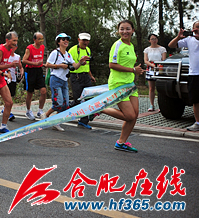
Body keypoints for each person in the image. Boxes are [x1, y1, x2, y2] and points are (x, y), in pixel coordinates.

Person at [101, 20, 144, 152]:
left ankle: (121, 142)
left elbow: (130, 65)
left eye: (128, 29)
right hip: (118, 84)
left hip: (130, 84)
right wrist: (133, 70)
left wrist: (137, 70)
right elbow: (112, 65)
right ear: (118, 31)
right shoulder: (117, 45)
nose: (125, 31)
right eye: (122, 29)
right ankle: (99, 109)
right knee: (129, 115)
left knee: (135, 115)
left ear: (133, 31)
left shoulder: (130, 46)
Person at [44, 33, 89, 131]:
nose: (66, 41)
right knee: (58, 102)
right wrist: (60, 66)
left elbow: (75, 67)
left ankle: (56, 122)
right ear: (59, 42)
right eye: (63, 39)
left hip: (64, 81)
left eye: (67, 39)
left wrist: (81, 62)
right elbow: (47, 64)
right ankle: (46, 115)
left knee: (65, 104)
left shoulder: (68, 55)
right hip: (55, 79)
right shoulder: (55, 53)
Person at [168, 22, 199, 131]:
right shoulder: (189, 40)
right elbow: (171, 45)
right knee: (195, 100)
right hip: (194, 74)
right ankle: (197, 123)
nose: (198, 29)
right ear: (193, 29)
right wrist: (178, 37)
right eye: (197, 27)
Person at [69, 32, 97, 129]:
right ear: (78, 40)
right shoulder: (72, 50)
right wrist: (80, 63)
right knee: (78, 100)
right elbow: (71, 66)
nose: (85, 42)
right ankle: (67, 107)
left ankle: (84, 121)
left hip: (86, 77)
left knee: (89, 98)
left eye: (87, 40)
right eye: (83, 40)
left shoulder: (88, 50)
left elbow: (88, 65)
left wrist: (91, 76)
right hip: (76, 77)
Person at [0, 32, 18, 133]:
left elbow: (5, 63)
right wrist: (10, 66)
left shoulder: (9, 49)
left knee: (9, 102)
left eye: (16, 41)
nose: (15, 43)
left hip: (1, 79)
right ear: (7, 40)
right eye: (14, 41)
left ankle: (3, 126)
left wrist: (7, 72)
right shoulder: (0, 50)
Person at [22, 32, 47, 120]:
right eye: (39, 39)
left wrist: (42, 64)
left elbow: (39, 59)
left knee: (43, 91)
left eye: (42, 38)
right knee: (30, 93)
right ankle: (28, 111)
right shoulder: (29, 48)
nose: (41, 41)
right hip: (30, 71)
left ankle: (40, 110)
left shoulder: (42, 47)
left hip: (39, 71)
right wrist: (35, 63)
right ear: (34, 40)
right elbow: (24, 60)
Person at [144, 34, 167, 112]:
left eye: (155, 38)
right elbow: (146, 60)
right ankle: (152, 105)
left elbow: (164, 59)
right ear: (149, 40)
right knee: (151, 88)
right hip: (150, 68)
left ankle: (162, 105)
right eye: (152, 39)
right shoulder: (147, 50)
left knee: (160, 88)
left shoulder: (162, 49)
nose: (154, 40)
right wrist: (152, 65)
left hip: (160, 68)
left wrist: (158, 65)